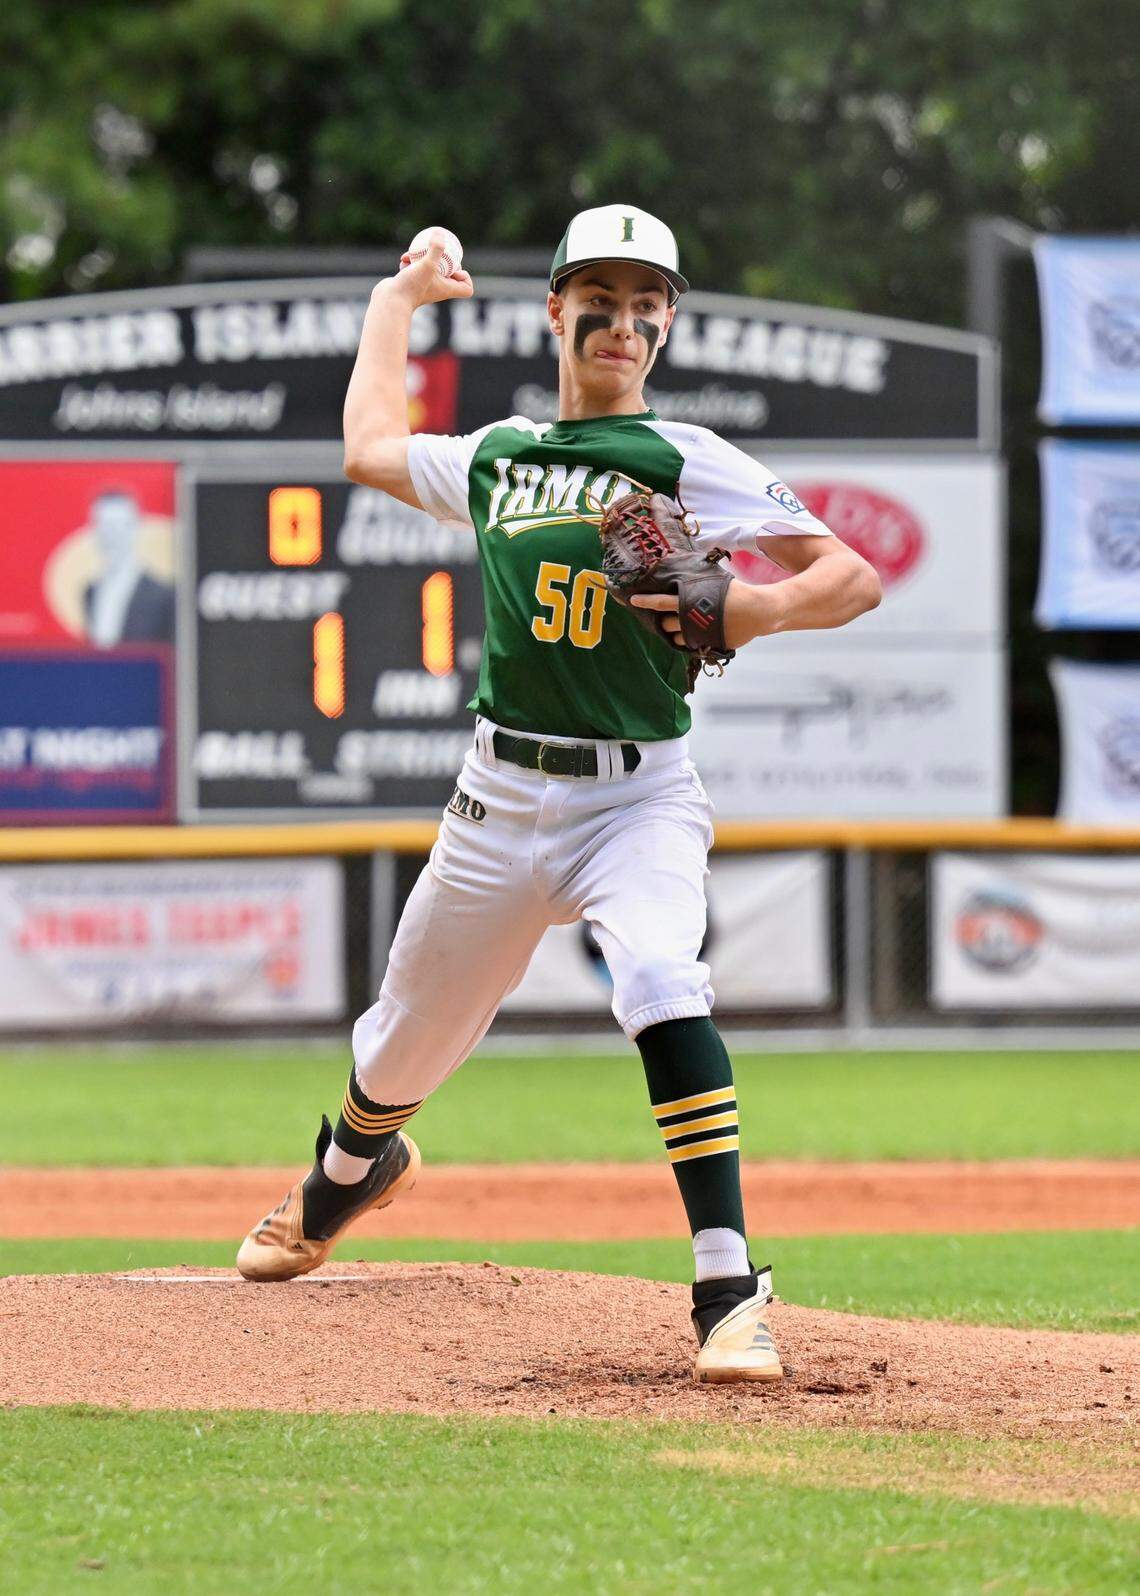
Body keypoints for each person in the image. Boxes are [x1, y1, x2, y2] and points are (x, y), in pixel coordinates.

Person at [237, 205, 881, 1383]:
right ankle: (347, 1178)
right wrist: (397, 302)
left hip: (638, 798)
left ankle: (729, 1288)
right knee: (397, 1050)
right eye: (601, 296)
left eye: (648, 304)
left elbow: (850, 575)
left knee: (656, 975)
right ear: (555, 308)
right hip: (497, 798)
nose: (622, 320)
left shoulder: (685, 459)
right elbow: (370, 447)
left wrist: (751, 607)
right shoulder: (499, 455)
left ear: (668, 325)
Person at [82, 488, 175, 647]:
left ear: (135, 527)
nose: (111, 535)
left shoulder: (162, 595)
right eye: (104, 526)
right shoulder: (90, 592)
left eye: (118, 526)